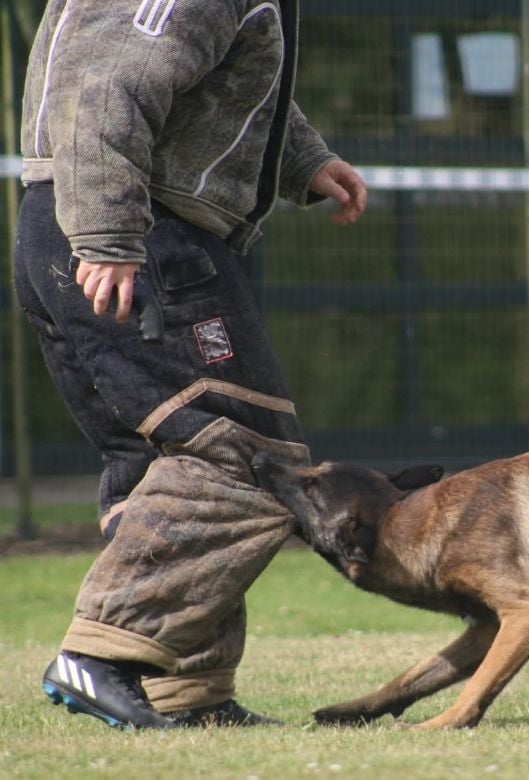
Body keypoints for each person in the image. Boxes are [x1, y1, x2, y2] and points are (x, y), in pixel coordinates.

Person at [14, 0, 368, 729]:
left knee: (160, 462)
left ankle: (184, 690)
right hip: (133, 230)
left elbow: (217, 76)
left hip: (91, 223)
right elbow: (105, 85)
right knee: (242, 453)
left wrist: (303, 157)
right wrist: (109, 233)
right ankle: (105, 656)